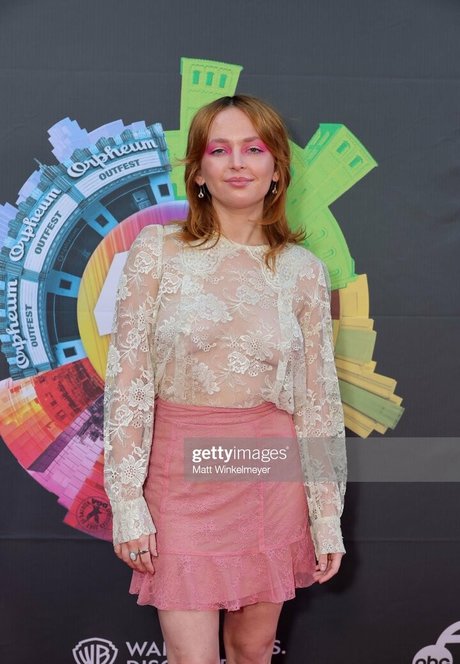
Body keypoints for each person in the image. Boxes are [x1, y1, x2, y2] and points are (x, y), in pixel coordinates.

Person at [103, 94, 347, 664]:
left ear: (276, 169)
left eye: (253, 149)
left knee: (252, 650)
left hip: (270, 475)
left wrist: (325, 514)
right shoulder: (156, 252)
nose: (237, 163)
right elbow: (129, 381)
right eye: (219, 150)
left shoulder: (303, 271)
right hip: (180, 479)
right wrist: (127, 500)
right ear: (198, 171)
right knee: (190, 657)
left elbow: (318, 400)